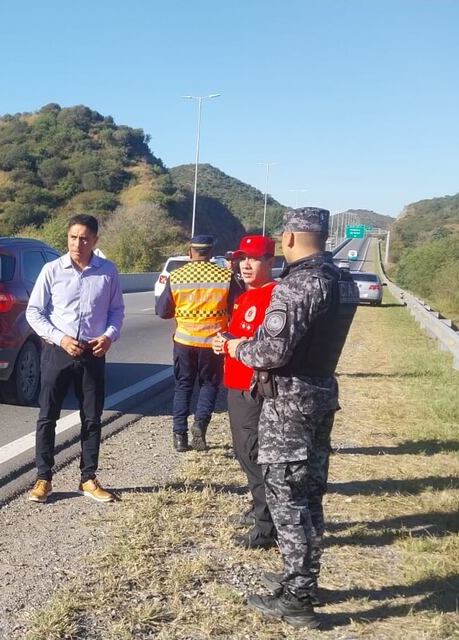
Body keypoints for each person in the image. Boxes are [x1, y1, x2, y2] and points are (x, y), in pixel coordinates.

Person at [217, 207, 359, 629]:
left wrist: (234, 347)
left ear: (292, 238)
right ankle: (303, 580)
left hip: (288, 403)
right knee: (310, 494)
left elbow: (271, 353)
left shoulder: (297, 286)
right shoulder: (343, 281)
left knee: (287, 497)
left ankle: (298, 596)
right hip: (320, 394)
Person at [26, 214, 125, 504]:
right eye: (72, 237)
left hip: (93, 353)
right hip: (59, 351)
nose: (77, 243)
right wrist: (60, 338)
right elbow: (34, 312)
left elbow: (116, 310)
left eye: (83, 238)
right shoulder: (52, 270)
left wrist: (109, 336)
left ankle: (88, 479)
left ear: (95, 240)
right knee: (48, 417)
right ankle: (43, 478)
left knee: (92, 418)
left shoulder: (108, 271)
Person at [211, 235, 278, 550]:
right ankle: (258, 508)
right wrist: (223, 341)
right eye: (241, 258)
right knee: (244, 450)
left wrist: (231, 345)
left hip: (253, 387)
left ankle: (266, 526)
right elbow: (240, 338)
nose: (245, 265)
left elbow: (266, 347)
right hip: (236, 385)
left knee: (253, 452)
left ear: (270, 261)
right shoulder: (244, 296)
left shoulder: (273, 295)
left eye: (253, 258)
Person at [156, 235, 239, 452]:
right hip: (213, 343)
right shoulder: (225, 276)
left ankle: (179, 437)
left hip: (184, 341)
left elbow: (162, 311)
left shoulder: (176, 276)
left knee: (183, 386)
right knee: (209, 385)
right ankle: (200, 425)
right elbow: (236, 309)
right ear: (211, 253)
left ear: (190, 252)